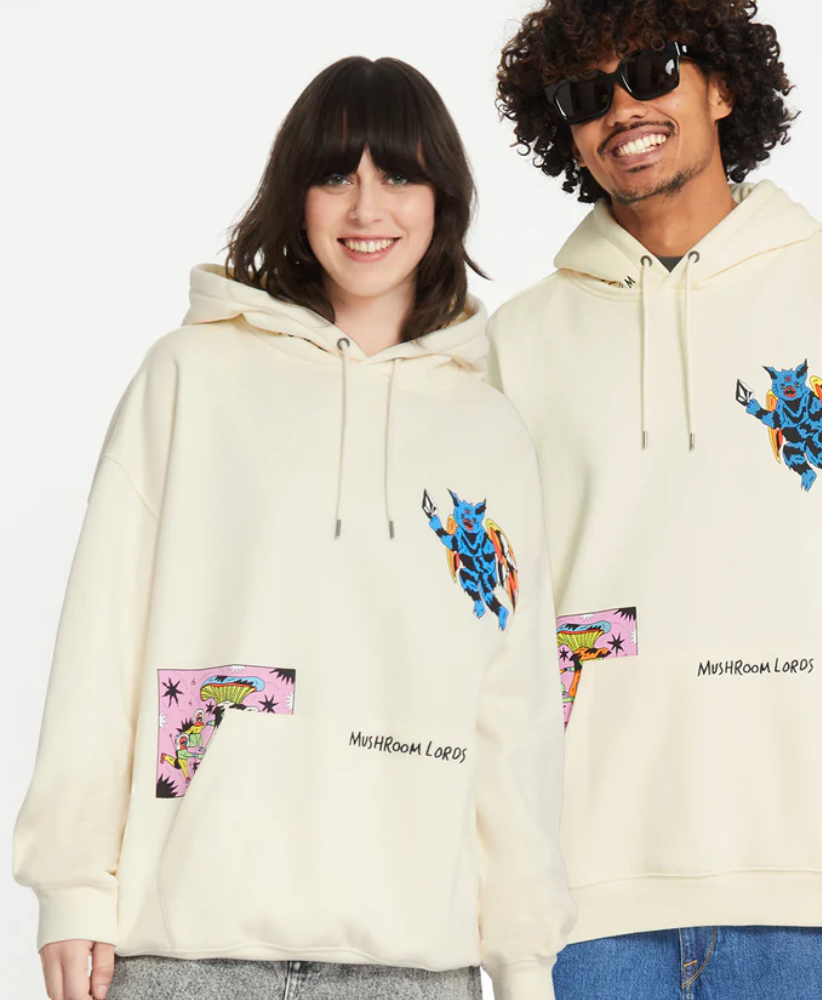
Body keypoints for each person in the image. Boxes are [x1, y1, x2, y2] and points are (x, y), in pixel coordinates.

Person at [12, 55, 575, 1000]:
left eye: (398, 176)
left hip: (412, 966)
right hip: (190, 952)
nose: (367, 208)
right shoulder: (190, 377)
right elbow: (102, 645)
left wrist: (523, 961)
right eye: (335, 175)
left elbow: (513, 714)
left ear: (442, 199)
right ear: (295, 195)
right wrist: (72, 887)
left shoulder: (488, 431)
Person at [488, 2, 822, 999]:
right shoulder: (515, 344)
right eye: (586, 93)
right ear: (564, 130)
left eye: (651, 71)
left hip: (816, 894)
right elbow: (487, 639)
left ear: (719, 84)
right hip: (583, 906)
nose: (622, 108)